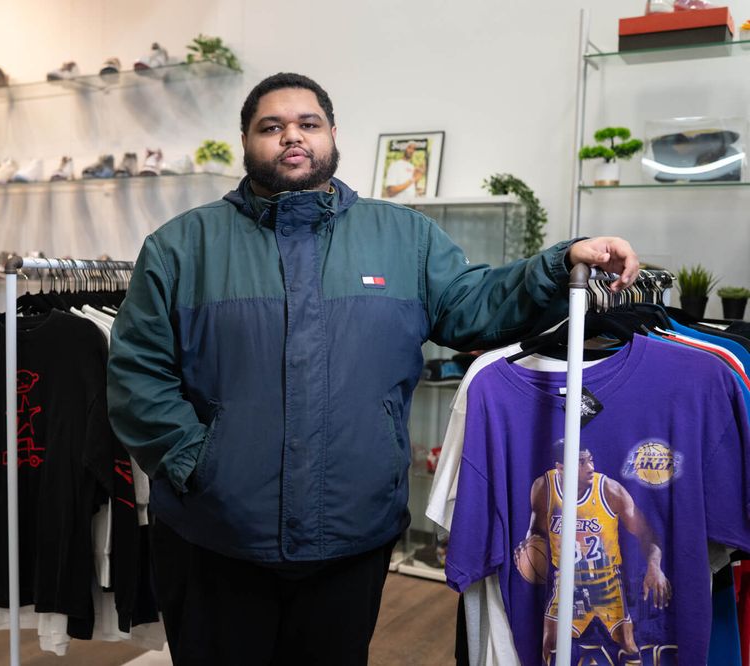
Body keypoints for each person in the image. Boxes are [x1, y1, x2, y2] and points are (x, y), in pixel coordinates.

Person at [107, 72, 639, 665]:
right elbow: (136, 376)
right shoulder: (181, 247)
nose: (291, 136)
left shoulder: (404, 238)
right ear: (245, 140)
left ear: (332, 134)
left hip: (351, 534)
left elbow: (472, 306)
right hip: (216, 538)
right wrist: (199, 466)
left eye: (307, 124)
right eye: (271, 126)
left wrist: (558, 263)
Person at [516, 447, 670, 665]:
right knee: (548, 643)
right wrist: (527, 550)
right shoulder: (544, 488)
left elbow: (647, 534)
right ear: (560, 468)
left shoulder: (609, 490)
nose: (591, 467)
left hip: (606, 583)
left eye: (591, 460)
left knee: (627, 643)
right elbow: (536, 533)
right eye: (581, 462)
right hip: (568, 582)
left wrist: (654, 566)